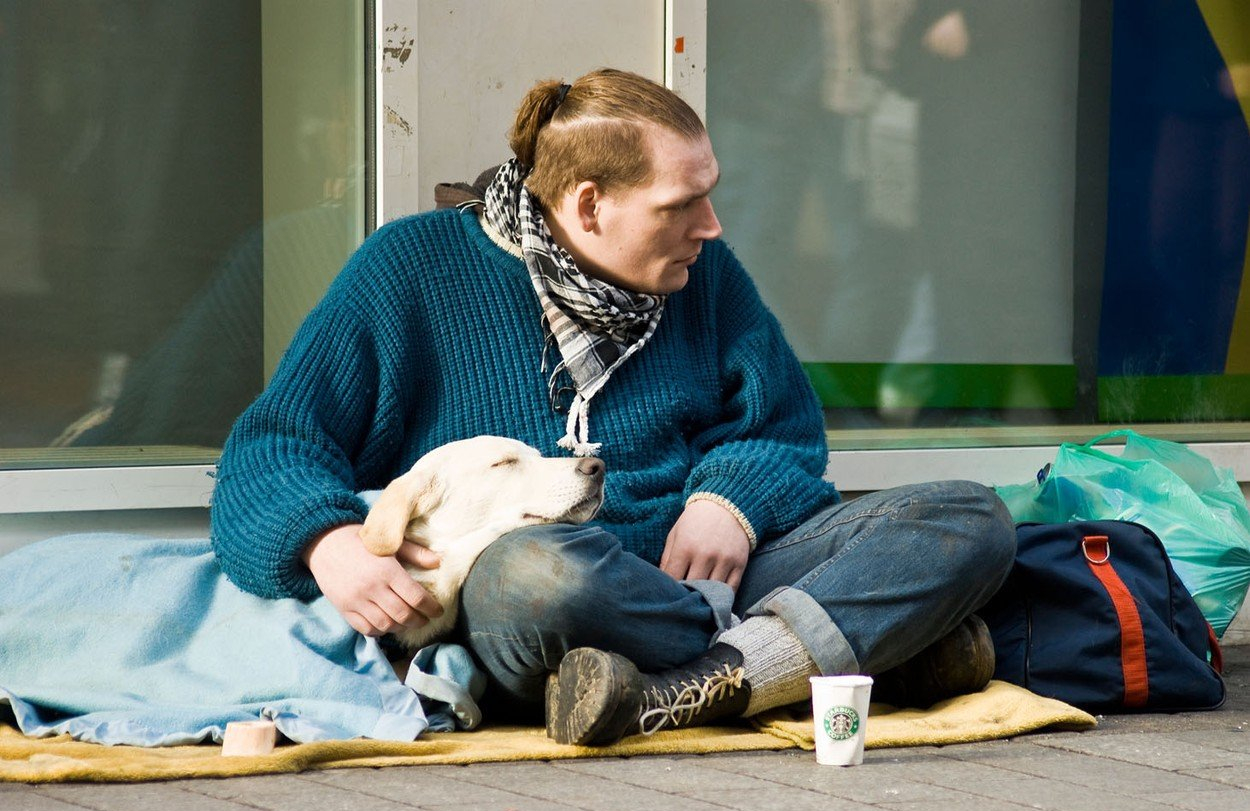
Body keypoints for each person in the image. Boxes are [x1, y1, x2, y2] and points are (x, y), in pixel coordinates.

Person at [210, 68, 1016, 746]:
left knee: (968, 518)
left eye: (711, 196)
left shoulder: (709, 278)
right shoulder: (407, 270)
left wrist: (727, 503)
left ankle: (693, 687)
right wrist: (330, 545)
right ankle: (847, 651)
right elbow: (271, 447)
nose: (712, 225)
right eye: (681, 205)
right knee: (539, 574)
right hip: (539, 604)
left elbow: (784, 429)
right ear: (590, 205)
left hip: (711, 581)